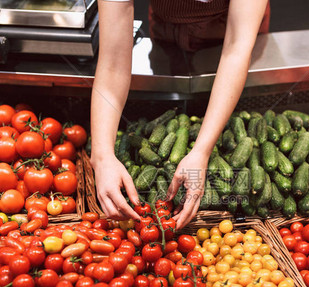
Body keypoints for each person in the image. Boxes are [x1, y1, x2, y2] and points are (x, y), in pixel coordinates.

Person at [91, 0, 269, 228]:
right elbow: (113, 64)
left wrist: (202, 152)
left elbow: (236, 50)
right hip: (167, 31)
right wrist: (103, 156)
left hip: (231, 30)